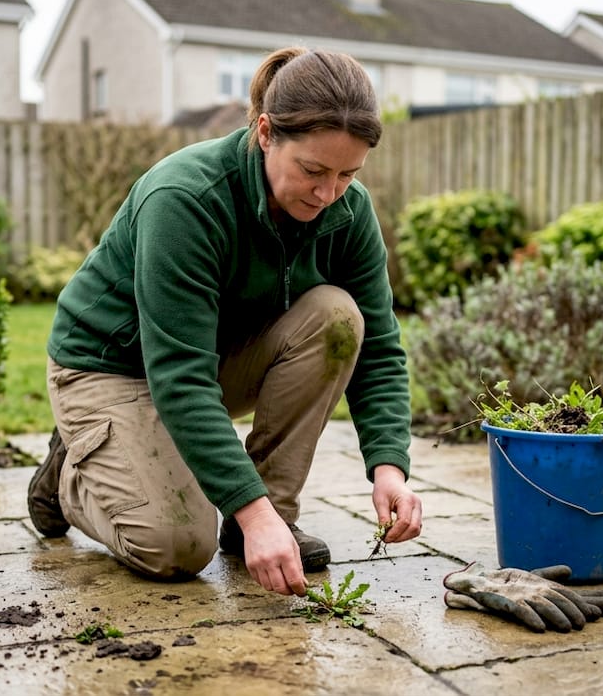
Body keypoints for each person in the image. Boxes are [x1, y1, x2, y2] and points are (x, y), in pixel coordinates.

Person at [27, 46, 423, 597]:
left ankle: (265, 521)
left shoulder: (348, 211)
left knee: (336, 317)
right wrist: (246, 508)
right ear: (265, 133)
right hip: (111, 367)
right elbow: (180, 377)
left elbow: (378, 347)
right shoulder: (185, 198)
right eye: (312, 170)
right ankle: (71, 475)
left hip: (210, 357)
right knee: (176, 547)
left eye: (346, 174)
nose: (328, 193)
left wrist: (389, 469)